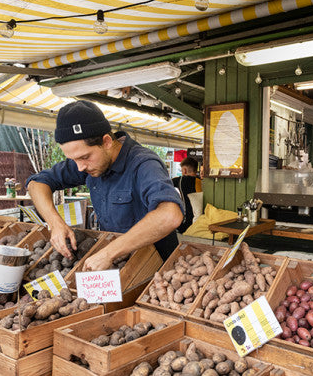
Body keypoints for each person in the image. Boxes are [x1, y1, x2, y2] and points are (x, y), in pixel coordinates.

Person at [26, 100, 184, 271]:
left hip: (156, 266)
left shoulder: (144, 164)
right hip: (117, 264)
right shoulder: (87, 163)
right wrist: (55, 223)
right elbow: (36, 184)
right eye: (74, 160)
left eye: (85, 157)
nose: (80, 167)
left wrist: (109, 253)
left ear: (107, 142)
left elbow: (170, 215)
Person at [172, 157, 202, 233]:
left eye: (182, 170)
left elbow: (165, 183)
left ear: (184, 170)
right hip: (199, 222)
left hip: (186, 224)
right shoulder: (200, 181)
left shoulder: (181, 180)